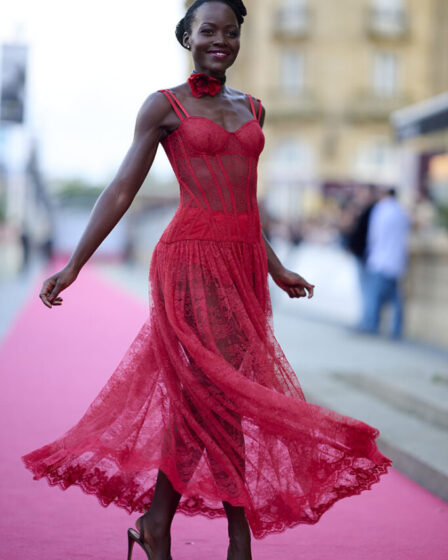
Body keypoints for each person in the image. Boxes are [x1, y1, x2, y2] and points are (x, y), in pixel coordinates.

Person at [21, 2, 392, 559]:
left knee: (214, 398)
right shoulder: (164, 106)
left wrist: (276, 265)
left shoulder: (255, 109)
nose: (221, 40)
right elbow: (122, 189)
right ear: (187, 36)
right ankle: (237, 538)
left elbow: (243, 204)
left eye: (231, 31)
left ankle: (155, 524)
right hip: (190, 260)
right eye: (209, 30)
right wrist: (74, 265)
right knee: (220, 395)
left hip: (242, 264)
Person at [363, 187, 410, 339]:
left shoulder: (380, 210)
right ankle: (396, 329)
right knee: (396, 299)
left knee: (375, 296)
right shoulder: (401, 212)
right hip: (396, 262)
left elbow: (374, 234)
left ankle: (372, 325)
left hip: (380, 259)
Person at [345, 184, 378, 330]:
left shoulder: (373, 211)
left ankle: (369, 323)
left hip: (367, 256)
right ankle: (366, 320)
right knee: (365, 291)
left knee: (368, 291)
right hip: (363, 255)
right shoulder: (364, 210)